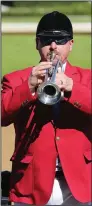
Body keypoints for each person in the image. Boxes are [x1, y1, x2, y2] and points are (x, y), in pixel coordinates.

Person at [1, 11, 91, 205]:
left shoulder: (87, 79)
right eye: (47, 40)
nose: (53, 46)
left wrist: (72, 88)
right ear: (37, 43)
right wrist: (29, 86)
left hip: (80, 184)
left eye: (59, 40)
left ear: (71, 44)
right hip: (32, 185)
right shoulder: (16, 79)